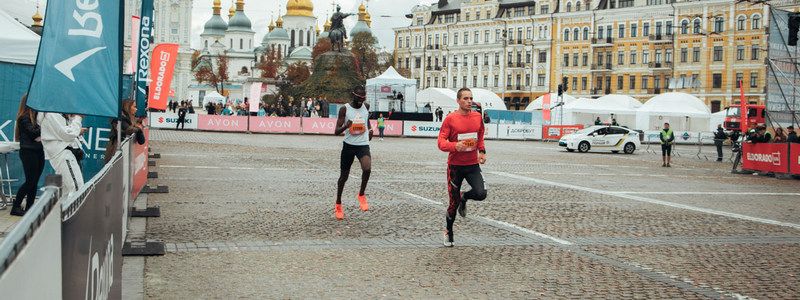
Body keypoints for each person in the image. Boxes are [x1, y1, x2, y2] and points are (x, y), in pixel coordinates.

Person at [437, 87, 487, 247]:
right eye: (465, 98)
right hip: (455, 167)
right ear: (458, 101)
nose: (469, 101)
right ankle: (448, 231)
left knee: (481, 193)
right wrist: (454, 146)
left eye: (471, 98)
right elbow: (441, 142)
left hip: (472, 164)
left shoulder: (478, 117)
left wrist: (482, 151)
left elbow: (480, 137)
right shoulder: (451, 119)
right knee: (453, 203)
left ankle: (465, 197)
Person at [333, 85, 373, 220]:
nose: (361, 100)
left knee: (367, 168)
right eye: (359, 97)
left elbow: (367, 121)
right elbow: (336, 131)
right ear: (353, 95)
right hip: (349, 145)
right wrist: (345, 126)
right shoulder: (345, 109)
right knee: (343, 177)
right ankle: (338, 203)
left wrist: (371, 130)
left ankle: (361, 194)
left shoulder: (366, 107)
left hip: (362, 144)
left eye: (364, 98)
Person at [11, 95, 44, 216]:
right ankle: (15, 207)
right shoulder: (24, 117)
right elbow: (33, 134)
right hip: (28, 152)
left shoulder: (35, 118)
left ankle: (29, 208)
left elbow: (37, 134)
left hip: (39, 151)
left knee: (34, 182)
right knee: (30, 181)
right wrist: (45, 125)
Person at [38, 112, 85, 197]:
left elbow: (67, 133)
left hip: (63, 153)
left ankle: (62, 210)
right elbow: (68, 134)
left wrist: (71, 118)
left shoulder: (55, 114)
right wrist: (78, 118)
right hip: (63, 154)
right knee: (77, 189)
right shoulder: (51, 114)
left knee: (65, 193)